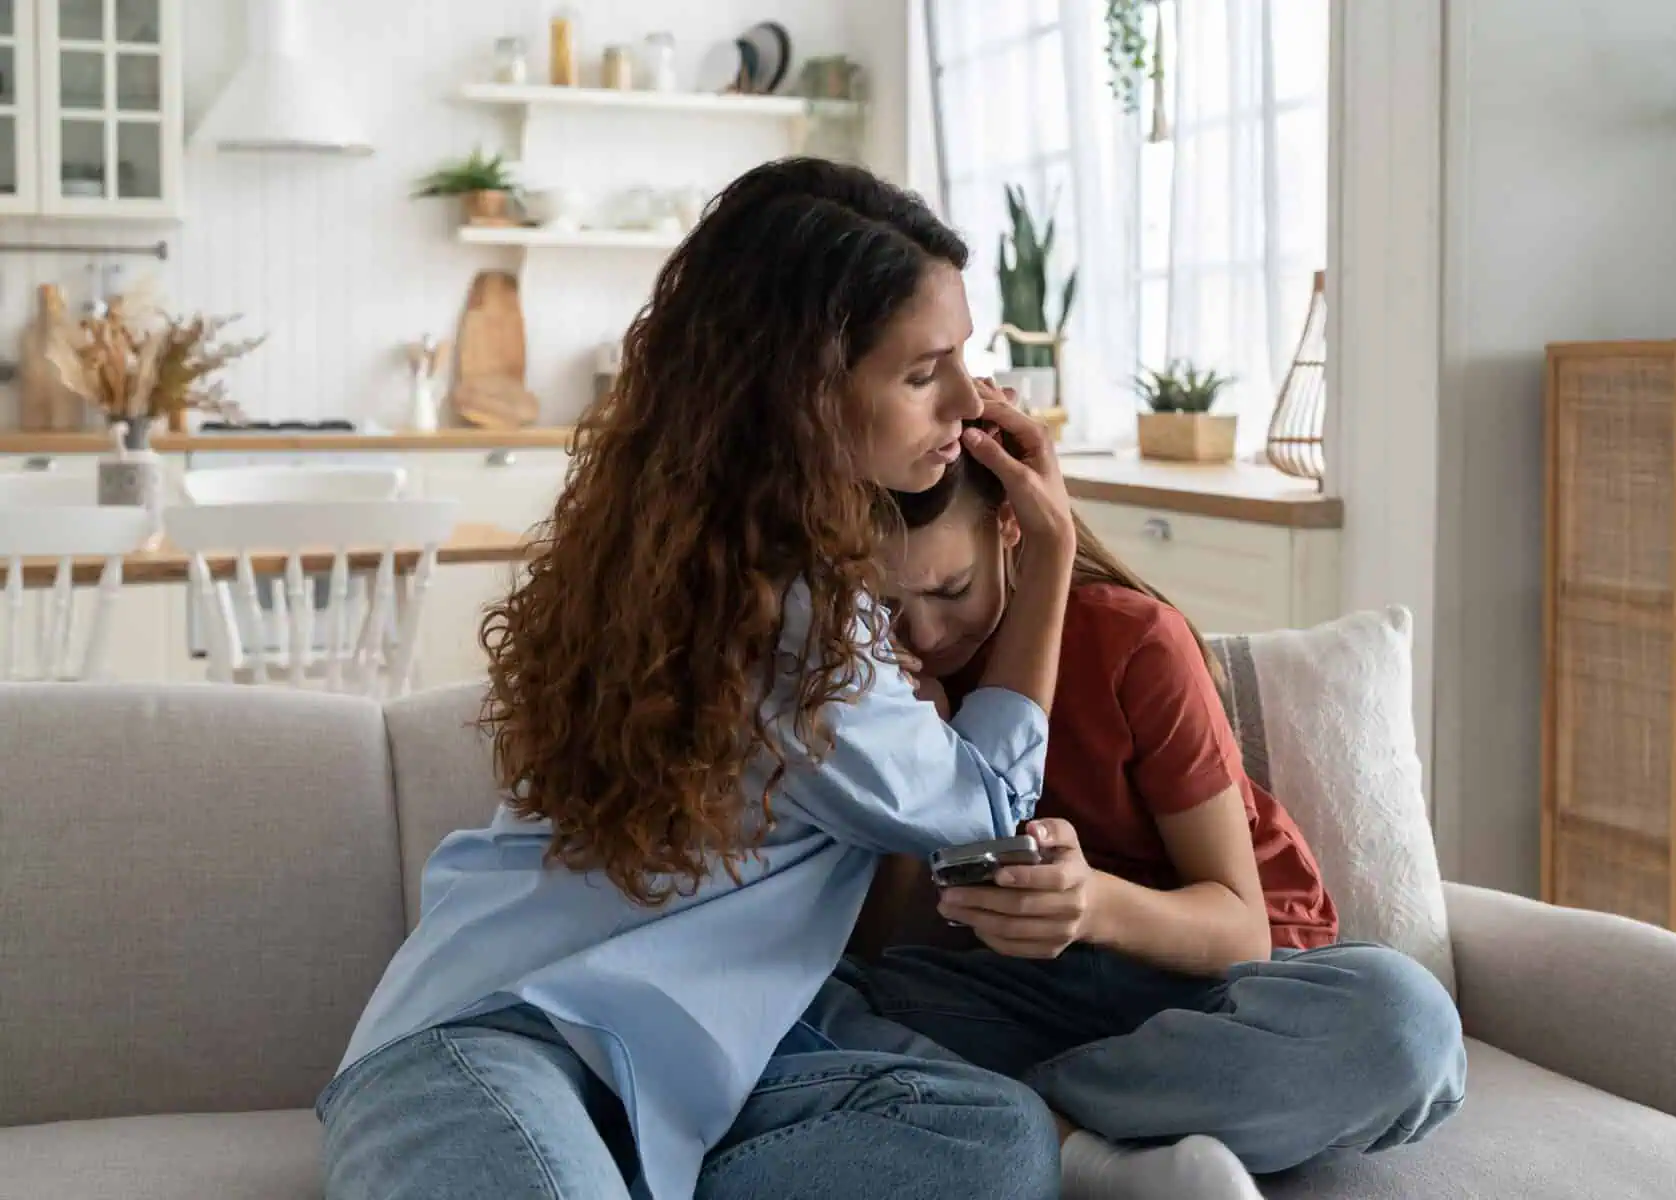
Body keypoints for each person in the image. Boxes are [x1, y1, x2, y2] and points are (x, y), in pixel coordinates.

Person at [316, 159, 1082, 1200]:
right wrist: (1051, 558)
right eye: (921, 372)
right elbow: (981, 810)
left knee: (991, 1138)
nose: (968, 399)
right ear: (808, 395)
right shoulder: (788, 612)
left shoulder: (716, 557)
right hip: (501, 1042)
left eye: (965, 358)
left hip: (686, 1078)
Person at [846, 453, 1468, 1200]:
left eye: (952, 590)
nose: (926, 632)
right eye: (883, 606)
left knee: (1405, 1024)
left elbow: (1240, 929)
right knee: (807, 1009)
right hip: (1019, 995)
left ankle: (1024, 1121)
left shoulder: (1130, 640)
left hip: (1208, 994)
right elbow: (887, 948)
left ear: (1010, 529)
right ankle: (1086, 1140)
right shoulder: (869, 675)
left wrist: (1092, 904)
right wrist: (920, 758)